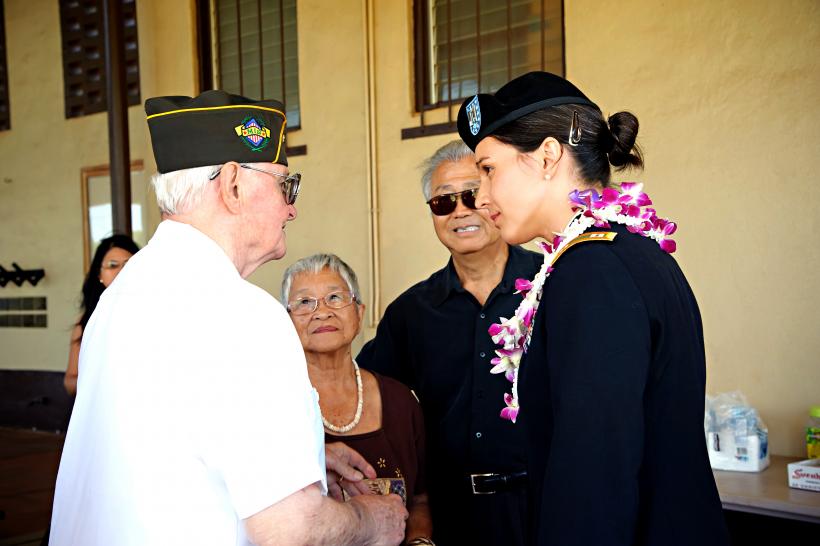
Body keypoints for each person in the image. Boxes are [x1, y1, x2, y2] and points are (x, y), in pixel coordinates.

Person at [50, 91, 406, 546]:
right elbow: (291, 529)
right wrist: (371, 520)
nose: (291, 208)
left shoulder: (124, 293)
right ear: (233, 184)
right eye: (285, 185)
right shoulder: (241, 313)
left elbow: (165, 445)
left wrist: (304, 458)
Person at [456, 71, 730, 545]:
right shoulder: (622, 254)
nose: (479, 198)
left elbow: (594, 473)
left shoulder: (591, 273)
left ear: (546, 157)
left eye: (488, 169)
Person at [357, 140, 541, 546]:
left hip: (543, 510)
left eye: (473, 195)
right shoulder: (411, 313)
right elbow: (362, 392)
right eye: (443, 202)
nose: (460, 211)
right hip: (449, 518)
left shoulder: (553, 285)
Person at [282, 253, 433, 545]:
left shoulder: (400, 400)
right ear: (286, 321)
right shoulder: (274, 405)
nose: (321, 312)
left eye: (335, 297)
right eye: (304, 302)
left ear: (359, 312)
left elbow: (421, 499)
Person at [64, 234, 139, 395]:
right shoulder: (87, 321)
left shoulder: (156, 312)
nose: (121, 272)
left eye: (129, 263)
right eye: (113, 265)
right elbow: (70, 382)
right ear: (99, 275)